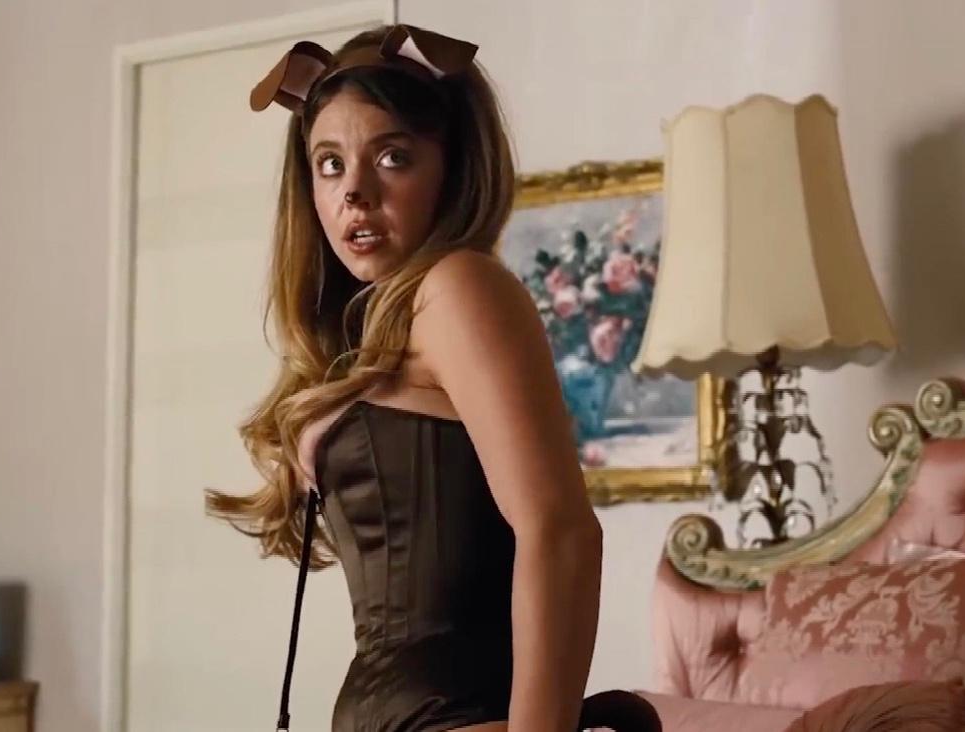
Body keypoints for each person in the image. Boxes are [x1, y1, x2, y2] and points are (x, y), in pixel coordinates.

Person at [207, 24, 659, 732]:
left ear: (451, 168)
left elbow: (561, 530)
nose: (354, 192)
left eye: (392, 157)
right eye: (329, 164)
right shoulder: (376, 334)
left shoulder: (459, 287)